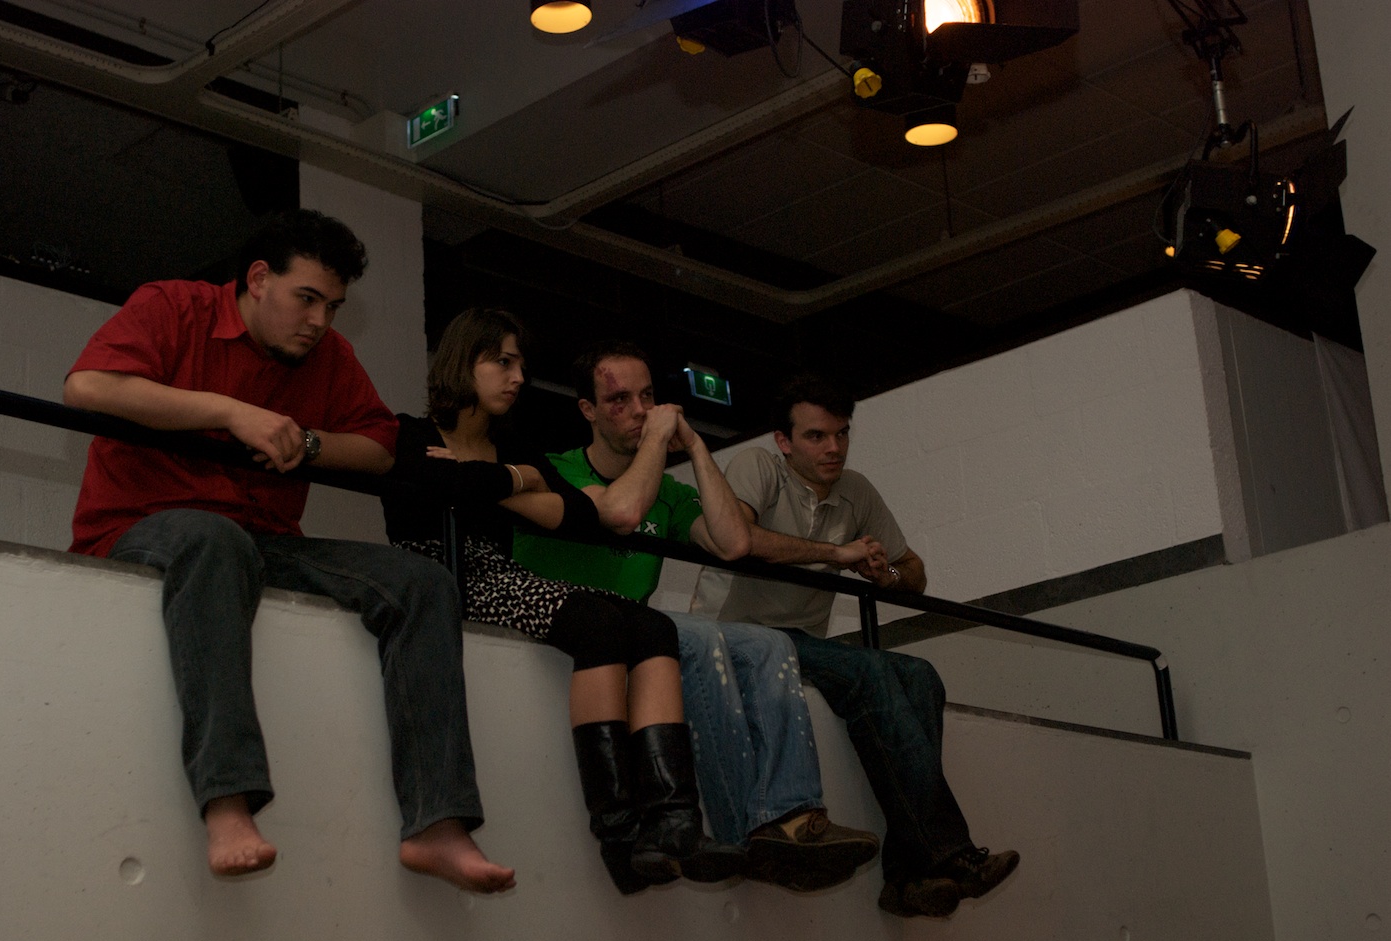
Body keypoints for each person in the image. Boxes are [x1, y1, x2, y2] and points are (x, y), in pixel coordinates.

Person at [63, 209, 514, 893]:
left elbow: (378, 447)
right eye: (306, 299)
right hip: (142, 526)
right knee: (214, 540)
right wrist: (230, 412)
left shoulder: (328, 356)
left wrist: (306, 442)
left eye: (332, 306)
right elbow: (87, 385)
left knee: (422, 580)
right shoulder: (174, 306)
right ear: (257, 280)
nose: (319, 321)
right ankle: (227, 803)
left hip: (262, 540)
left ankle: (437, 823)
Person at [382, 309, 742, 893]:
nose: (518, 377)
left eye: (520, 364)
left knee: (653, 627)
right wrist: (515, 481)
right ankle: (619, 833)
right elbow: (444, 485)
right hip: (440, 573)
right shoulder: (411, 432)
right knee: (598, 623)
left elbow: (571, 513)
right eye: (503, 362)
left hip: (498, 572)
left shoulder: (513, 445)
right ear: (462, 363)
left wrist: (495, 478)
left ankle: (673, 820)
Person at [514, 343, 878, 892]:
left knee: (770, 644)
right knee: (703, 638)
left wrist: (697, 446)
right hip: (568, 623)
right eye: (619, 400)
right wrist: (657, 441)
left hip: (636, 626)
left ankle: (789, 817)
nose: (640, 411)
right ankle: (740, 830)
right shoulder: (557, 468)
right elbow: (622, 511)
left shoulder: (670, 491)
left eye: (647, 397)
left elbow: (733, 542)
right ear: (587, 409)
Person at [692, 374, 1020, 918]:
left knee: (921, 675)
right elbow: (740, 541)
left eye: (842, 434)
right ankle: (948, 854)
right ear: (784, 441)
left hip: (801, 643)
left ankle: (909, 876)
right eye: (817, 436)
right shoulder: (758, 467)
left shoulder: (856, 490)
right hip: (737, 636)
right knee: (872, 673)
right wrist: (836, 554)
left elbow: (913, 573)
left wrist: (881, 573)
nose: (834, 448)